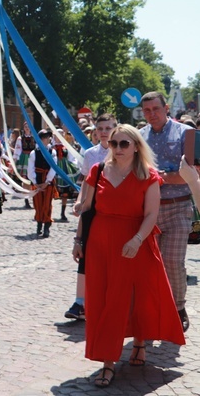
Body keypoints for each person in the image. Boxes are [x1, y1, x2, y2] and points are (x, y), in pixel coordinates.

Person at [79, 124, 185, 388]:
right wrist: (78, 239)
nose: (117, 149)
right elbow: (87, 208)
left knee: (135, 296)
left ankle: (139, 341)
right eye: (114, 144)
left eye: (124, 144)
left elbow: (151, 214)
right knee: (104, 300)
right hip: (101, 243)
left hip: (135, 240)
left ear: (136, 146)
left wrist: (137, 239)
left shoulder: (148, 175)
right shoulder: (98, 170)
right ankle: (107, 361)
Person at [140, 91, 194, 332]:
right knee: (149, 265)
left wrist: (160, 179)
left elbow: (194, 171)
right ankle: (153, 308)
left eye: (156, 109)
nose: (152, 114)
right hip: (147, 211)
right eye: (147, 110)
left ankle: (179, 307)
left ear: (167, 108)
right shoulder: (139, 137)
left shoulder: (187, 134)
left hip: (179, 207)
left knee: (173, 261)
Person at [66, 113, 117, 321]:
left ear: (115, 128)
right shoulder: (90, 154)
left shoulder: (123, 150)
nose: (104, 132)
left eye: (108, 128)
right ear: (95, 131)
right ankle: (80, 302)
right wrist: (79, 201)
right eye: (100, 129)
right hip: (92, 208)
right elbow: (86, 183)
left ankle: (108, 301)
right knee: (84, 253)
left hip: (115, 210)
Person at [27, 129, 57, 238]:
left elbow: (54, 167)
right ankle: (39, 223)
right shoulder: (34, 153)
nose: (46, 139)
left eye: (48, 137)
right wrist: (36, 182)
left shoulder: (52, 152)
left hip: (48, 181)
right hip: (37, 180)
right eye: (44, 137)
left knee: (47, 204)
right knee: (38, 203)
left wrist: (47, 181)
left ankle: (47, 226)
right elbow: (30, 169)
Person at [52, 129, 80, 223]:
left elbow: (71, 158)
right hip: (54, 169)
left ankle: (62, 213)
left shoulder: (66, 147)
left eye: (61, 134)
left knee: (65, 193)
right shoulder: (51, 147)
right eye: (57, 135)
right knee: (51, 191)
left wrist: (75, 167)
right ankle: (47, 212)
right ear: (54, 136)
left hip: (64, 169)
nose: (59, 137)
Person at [14, 122, 36, 208]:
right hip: (24, 159)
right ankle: (26, 200)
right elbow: (17, 150)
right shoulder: (20, 138)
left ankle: (33, 197)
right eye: (25, 127)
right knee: (25, 179)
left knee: (33, 178)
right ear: (23, 128)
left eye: (28, 126)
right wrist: (15, 161)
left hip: (32, 158)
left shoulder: (34, 137)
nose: (27, 128)